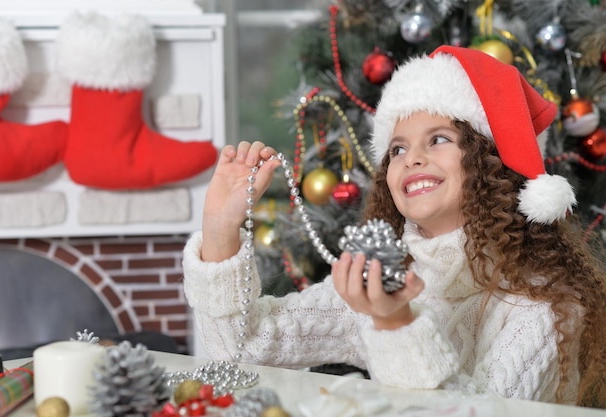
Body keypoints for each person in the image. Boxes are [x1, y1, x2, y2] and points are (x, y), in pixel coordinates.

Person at [182, 45, 606, 407]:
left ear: (492, 163)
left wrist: (395, 323)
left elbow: (472, 412)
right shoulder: (386, 277)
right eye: (397, 148)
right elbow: (244, 344)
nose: (411, 158)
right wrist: (220, 230)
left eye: (438, 139)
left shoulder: (544, 303)